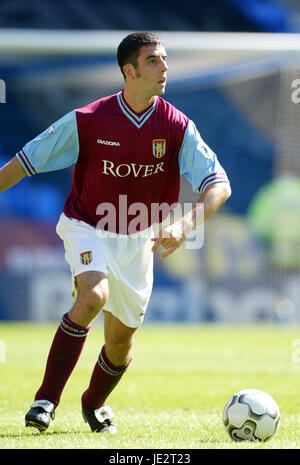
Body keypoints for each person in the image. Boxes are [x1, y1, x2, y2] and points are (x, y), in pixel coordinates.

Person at [0, 32, 231, 433]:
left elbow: (219, 185)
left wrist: (185, 223)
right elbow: (23, 162)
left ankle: (94, 403)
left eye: (164, 59)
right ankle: (45, 400)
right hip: (87, 225)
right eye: (154, 60)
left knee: (121, 345)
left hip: (138, 240)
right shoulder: (87, 120)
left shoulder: (176, 125)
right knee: (93, 295)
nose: (164, 68)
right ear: (130, 70)